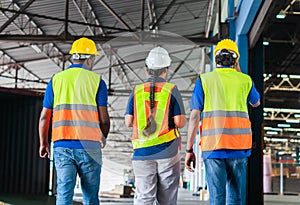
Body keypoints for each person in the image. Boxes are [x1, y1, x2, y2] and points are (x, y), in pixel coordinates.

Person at [185, 38, 260, 205]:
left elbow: (194, 116)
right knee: (236, 198)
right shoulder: (245, 80)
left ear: (216, 59)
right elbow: (256, 102)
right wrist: (239, 73)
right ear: (236, 60)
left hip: (213, 147)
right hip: (239, 147)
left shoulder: (205, 80)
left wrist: (189, 149)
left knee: (217, 198)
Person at [39, 37, 110, 205]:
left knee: (64, 194)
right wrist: (103, 136)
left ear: (73, 57)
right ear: (90, 58)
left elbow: (44, 117)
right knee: (91, 197)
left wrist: (44, 142)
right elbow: (104, 119)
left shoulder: (56, 80)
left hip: (62, 145)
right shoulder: (97, 81)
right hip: (90, 146)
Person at [125, 46, 186, 205]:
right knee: (166, 199)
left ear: (147, 70)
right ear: (166, 69)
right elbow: (180, 122)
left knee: (144, 197)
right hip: (168, 153)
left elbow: (129, 122)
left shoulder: (136, 91)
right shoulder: (172, 90)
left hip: (142, 153)